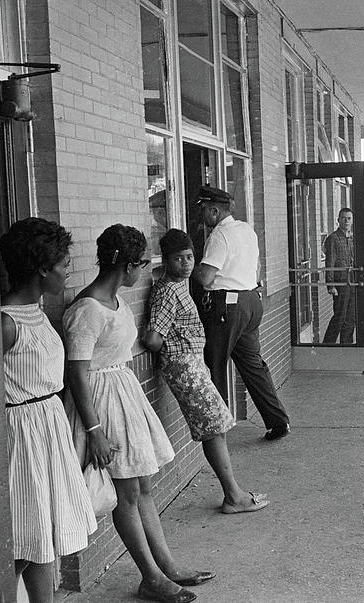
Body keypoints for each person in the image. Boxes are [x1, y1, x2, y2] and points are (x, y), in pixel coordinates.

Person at [64, 224, 211, 603]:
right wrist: (94, 429)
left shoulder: (116, 301)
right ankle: (151, 578)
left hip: (124, 395)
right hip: (102, 404)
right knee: (126, 493)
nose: (144, 271)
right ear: (126, 265)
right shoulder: (86, 310)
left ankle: (167, 566)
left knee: (143, 486)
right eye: (142, 263)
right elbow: (77, 375)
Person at [0, 218, 97, 603]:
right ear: (42, 269)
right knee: (25, 541)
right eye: (64, 265)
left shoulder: (38, 313)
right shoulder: (6, 323)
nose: (68, 272)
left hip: (48, 427)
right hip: (22, 435)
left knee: (42, 539)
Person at [143, 229, 269, 515]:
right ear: (166, 260)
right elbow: (153, 338)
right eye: (178, 259)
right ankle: (233, 496)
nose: (186, 264)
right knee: (214, 426)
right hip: (183, 365)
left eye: (189, 257)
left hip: (192, 363)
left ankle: (232, 493)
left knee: (217, 426)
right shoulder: (167, 291)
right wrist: (172, 347)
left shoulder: (181, 285)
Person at [192, 186, 291, 441]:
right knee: (253, 365)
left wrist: (188, 266)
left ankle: (217, 431)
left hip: (226, 306)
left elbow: (205, 277)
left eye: (203, 209)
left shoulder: (218, 236)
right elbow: (256, 267)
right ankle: (277, 421)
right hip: (250, 300)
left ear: (215, 211)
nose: (202, 214)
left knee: (215, 365)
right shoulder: (246, 230)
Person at [323, 207, 358, 343]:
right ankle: (327, 345)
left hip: (353, 281)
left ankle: (346, 345)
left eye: (349, 218)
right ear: (338, 220)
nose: (346, 221)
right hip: (340, 282)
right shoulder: (333, 238)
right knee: (340, 316)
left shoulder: (352, 238)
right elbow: (330, 263)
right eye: (343, 218)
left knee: (351, 318)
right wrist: (331, 285)